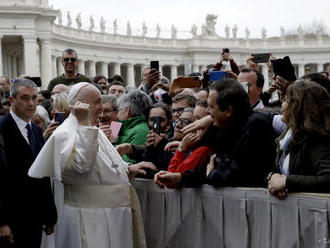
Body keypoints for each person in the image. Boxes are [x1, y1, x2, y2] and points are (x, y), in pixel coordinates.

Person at [28, 82, 156, 248]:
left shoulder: (90, 127)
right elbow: (81, 167)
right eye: (96, 102)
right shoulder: (65, 133)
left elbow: (106, 161)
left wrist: (128, 168)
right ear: (79, 105)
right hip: (90, 220)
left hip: (109, 216)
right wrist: (82, 125)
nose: (101, 107)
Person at [155, 78, 276, 189]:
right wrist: (180, 177)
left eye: (211, 107)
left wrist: (212, 174)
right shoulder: (227, 127)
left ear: (228, 111)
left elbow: (235, 175)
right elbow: (211, 165)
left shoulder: (256, 125)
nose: (208, 113)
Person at [0, 78, 57, 247]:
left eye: (34, 98)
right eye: (25, 98)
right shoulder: (2, 129)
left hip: (35, 218)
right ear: (12, 100)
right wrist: (2, 222)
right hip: (11, 219)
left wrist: (49, 214)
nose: (31, 103)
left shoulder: (36, 131)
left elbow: (43, 174)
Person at [268, 80, 330, 198]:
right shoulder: (290, 134)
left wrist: (287, 182)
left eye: (285, 99)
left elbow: (327, 178)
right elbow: (277, 168)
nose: (282, 104)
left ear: (296, 107)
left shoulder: (318, 138)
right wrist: (273, 177)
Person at [116, 90, 151, 163]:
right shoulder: (125, 127)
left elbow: (130, 163)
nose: (117, 115)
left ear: (127, 111)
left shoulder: (141, 131)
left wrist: (110, 145)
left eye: (119, 110)